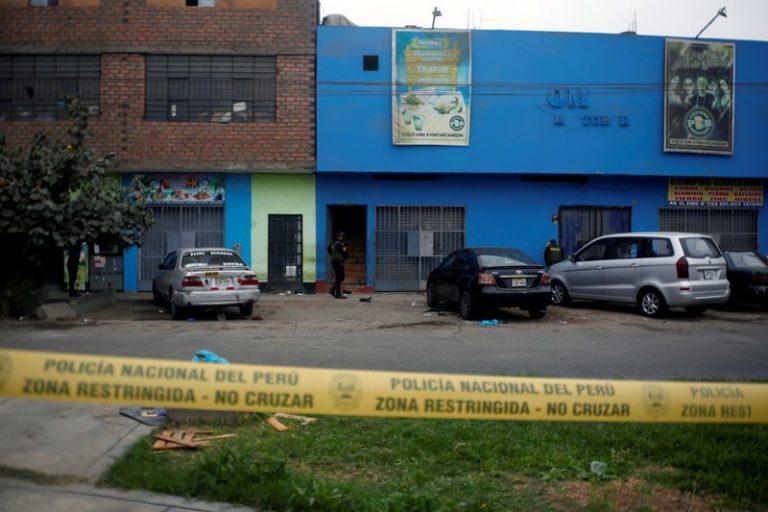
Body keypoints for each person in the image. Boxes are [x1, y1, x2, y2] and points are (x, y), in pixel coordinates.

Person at [327, 231, 349, 299]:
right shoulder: (341, 244)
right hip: (339, 262)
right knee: (340, 277)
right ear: (338, 236)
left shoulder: (332, 243)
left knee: (339, 277)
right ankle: (338, 293)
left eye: (341, 236)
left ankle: (333, 290)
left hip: (334, 261)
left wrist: (333, 255)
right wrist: (344, 257)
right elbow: (345, 254)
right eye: (340, 236)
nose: (341, 237)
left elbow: (328, 249)